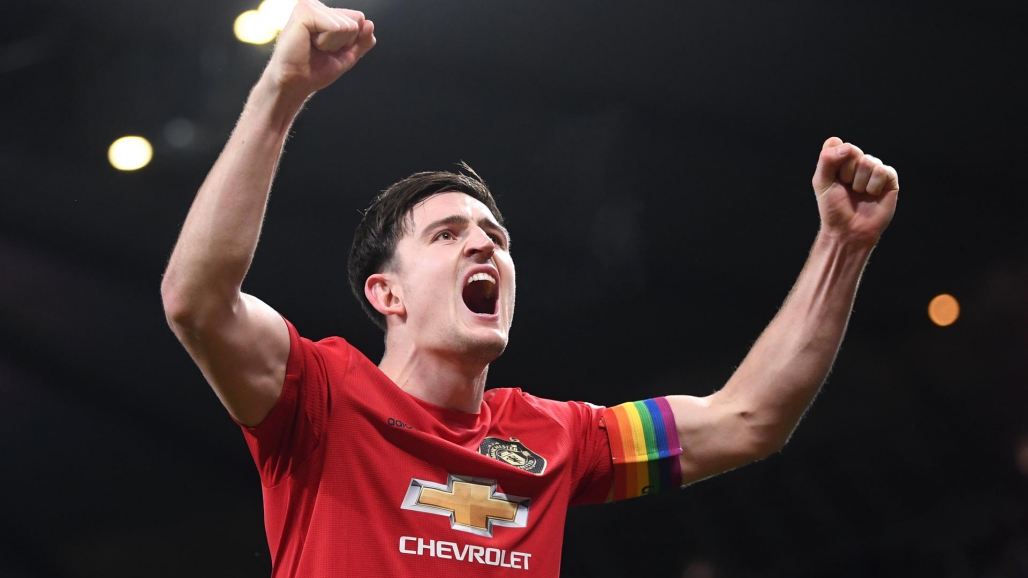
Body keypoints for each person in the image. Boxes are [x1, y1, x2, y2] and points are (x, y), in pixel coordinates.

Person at [159, 1, 900, 576]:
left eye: (496, 236)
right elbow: (198, 302)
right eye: (446, 234)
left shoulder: (556, 438)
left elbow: (747, 420)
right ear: (388, 295)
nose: (485, 243)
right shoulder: (319, 400)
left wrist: (843, 246)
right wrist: (282, 91)